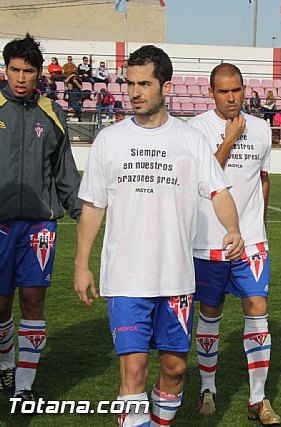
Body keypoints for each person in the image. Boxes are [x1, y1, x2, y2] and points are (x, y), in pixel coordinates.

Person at [74, 45, 244, 427]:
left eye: (144, 84)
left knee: (174, 371)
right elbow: (93, 206)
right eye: (130, 84)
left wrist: (232, 227)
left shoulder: (190, 140)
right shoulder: (109, 140)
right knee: (132, 375)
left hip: (176, 279)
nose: (135, 92)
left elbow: (219, 192)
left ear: (165, 85)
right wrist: (82, 264)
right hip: (125, 277)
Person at [188, 63, 281, 425]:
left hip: (252, 243)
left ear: (245, 90)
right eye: (224, 91)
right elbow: (201, 181)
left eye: (237, 90)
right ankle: (207, 389)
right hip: (209, 242)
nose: (231, 98)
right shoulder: (195, 129)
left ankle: (258, 399)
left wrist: (259, 225)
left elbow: (264, 179)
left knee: (257, 308)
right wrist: (228, 139)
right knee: (210, 313)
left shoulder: (261, 129)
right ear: (211, 93)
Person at [0, 34, 82, 406]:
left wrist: (82, 213)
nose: (20, 77)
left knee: (33, 301)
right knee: (1, 305)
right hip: (0, 225)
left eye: (27, 71)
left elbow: (65, 173)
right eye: (13, 69)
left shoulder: (52, 113)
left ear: (38, 74)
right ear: (5, 69)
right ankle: (5, 363)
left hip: (39, 227)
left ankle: (24, 385)